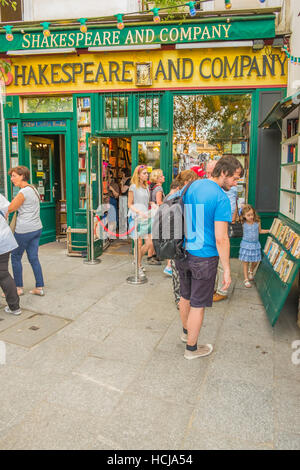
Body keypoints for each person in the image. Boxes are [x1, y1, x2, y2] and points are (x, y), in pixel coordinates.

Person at [176, 156, 243, 360]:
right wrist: (227, 269)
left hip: (183, 251)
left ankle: (186, 332)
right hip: (204, 257)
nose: (235, 183)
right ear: (223, 172)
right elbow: (221, 237)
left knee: (185, 296)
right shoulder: (221, 198)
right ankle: (192, 349)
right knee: (198, 304)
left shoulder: (192, 186)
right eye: (235, 178)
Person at [8, 166, 44, 296]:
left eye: (14, 176)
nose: (12, 179)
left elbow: (11, 208)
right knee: (33, 257)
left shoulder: (23, 192)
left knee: (16, 257)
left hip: (24, 230)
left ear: (22, 176)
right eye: (11, 176)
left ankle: (18, 288)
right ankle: (39, 287)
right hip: (36, 228)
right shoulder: (33, 189)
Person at [213, 183, 238, 302]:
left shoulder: (229, 189)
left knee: (222, 259)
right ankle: (217, 287)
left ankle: (222, 290)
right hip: (218, 224)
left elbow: (231, 209)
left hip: (221, 223)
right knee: (217, 259)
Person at [128, 165, 152, 278]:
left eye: (147, 173)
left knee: (149, 243)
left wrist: (152, 205)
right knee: (138, 243)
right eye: (144, 173)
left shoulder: (146, 187)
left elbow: (146, 202)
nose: (146, 175)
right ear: (138, 175)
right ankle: (138, 265)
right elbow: (129, 204)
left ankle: (136, 260)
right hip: (135, 217)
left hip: (145, 217)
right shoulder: (133, 187)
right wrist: (138, 212)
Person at [0, 193, 21, 315]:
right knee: (3, 273)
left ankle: (14, 306)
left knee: (2, 274)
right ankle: (15, 307)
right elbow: (8, 209)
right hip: (4, 238)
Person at [239, 204, 269, 288]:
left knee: (255, 261)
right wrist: (242, 207)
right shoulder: (243, 222)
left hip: (255, 245)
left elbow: (260, 231)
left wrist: (269, 230)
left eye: (252, 214)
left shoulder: (257, 222)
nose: (251, 216)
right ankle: (246, 279)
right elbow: (238, 214)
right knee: (246, 262)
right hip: (246, 245)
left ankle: (251, 271)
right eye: (248, 215)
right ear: (244, 216)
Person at [147, 169, 165, 265]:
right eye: (162, 176)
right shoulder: (159, 188)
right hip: (156, 213)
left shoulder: (152, 187)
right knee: (154, 235)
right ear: (158, 179)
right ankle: (151, 256)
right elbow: (159, 202)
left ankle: (154, 255)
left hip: (151, 213)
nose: (164, 177)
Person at [119, 168, 131, 237]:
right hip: (125, 198)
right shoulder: (127, 180)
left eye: (122, 173)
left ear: (125, 173)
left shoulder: (128, 180)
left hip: (126, 198)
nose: (121, 175)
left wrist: (121, 184)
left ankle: (127, 231)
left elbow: (123, 190)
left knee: (125, 214)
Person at [107, 170, 120, 238]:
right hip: (105, 201)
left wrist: (112, 189)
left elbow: (117, 195)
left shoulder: (115, 185)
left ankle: (111, 235)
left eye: (108, 174)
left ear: (111, 175)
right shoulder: (103, 183)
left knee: (112, 218)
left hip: (112, 201)